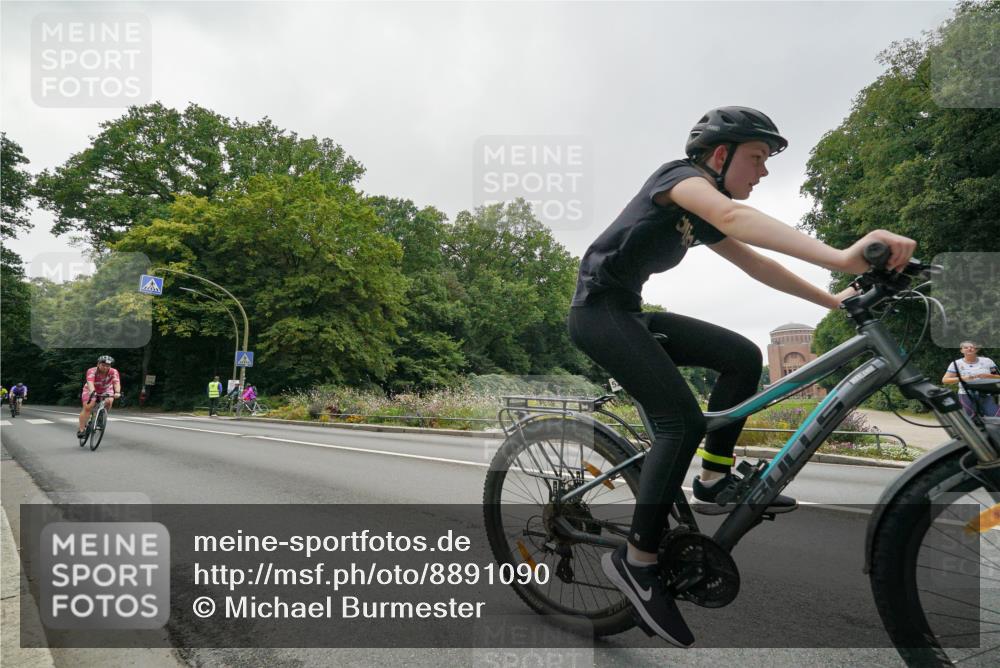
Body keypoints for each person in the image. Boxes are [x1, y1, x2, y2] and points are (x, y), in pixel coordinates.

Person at [567, 106, 917, 647]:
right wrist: (844, 257)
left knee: (742, 355)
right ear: (720, 154)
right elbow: (734, 220)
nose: (764, 171)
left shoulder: (704, 214)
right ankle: (637, 562)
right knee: (679, 420)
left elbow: (757, 264)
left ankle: (711, 478)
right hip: (597, 313)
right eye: (757, 158)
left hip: (630, 312)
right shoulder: (677, 179)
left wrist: (832, 299)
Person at [942, 341, 1000, 417]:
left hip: (986, 394)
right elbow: (945, 380)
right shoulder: (956, 364)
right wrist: (964, 378)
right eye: (966, 347)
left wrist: (988, 376)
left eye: (972, 347)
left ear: (976, 349)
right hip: (966, 394)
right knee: (970, 418)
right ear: (961, 350)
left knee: (996, 416)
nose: (969, 349)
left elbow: (998, 376)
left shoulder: (987, 361)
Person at [78, 355, 121, 438]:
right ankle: (81, 429)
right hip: (90, 389)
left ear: (110, 366)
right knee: (88, 406)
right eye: (103, 365)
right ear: (98, 364)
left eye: (107, 366)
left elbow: (116, 382)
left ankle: (102, 417)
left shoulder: (114, 372)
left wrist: (117, 392)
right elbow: (90, 382)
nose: (105, 367)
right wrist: (92, 392)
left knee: (110, 400)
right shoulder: (91, 371)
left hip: (106, 389)